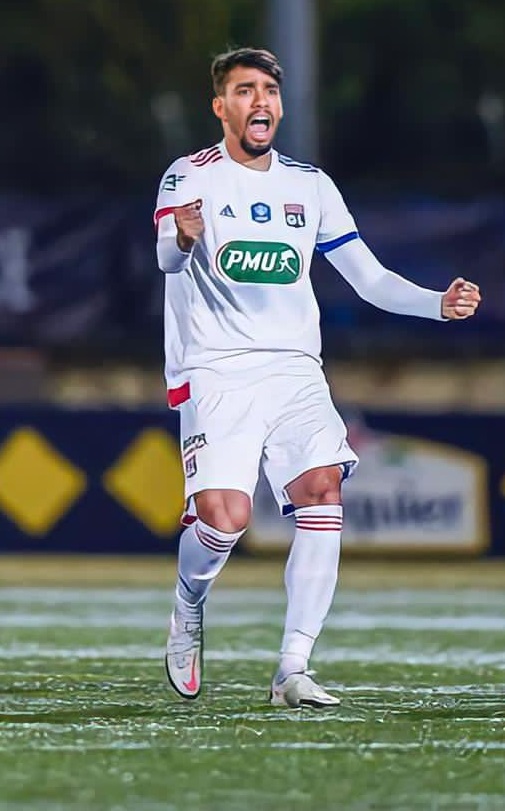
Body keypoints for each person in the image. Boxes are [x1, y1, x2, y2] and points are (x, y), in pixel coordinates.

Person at [154, 47, 481, 708]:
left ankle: (292, 667)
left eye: (269, 90)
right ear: (221, 107)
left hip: (296, 371)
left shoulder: (309, 185)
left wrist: (434, 303)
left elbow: (370, 278)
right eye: (245, 91)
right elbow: (165, 257)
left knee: (320, 491)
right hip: (217, 370)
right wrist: (185, 238)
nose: (260, 102)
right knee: (225, 519)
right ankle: (189, 602)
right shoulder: (189, 176)